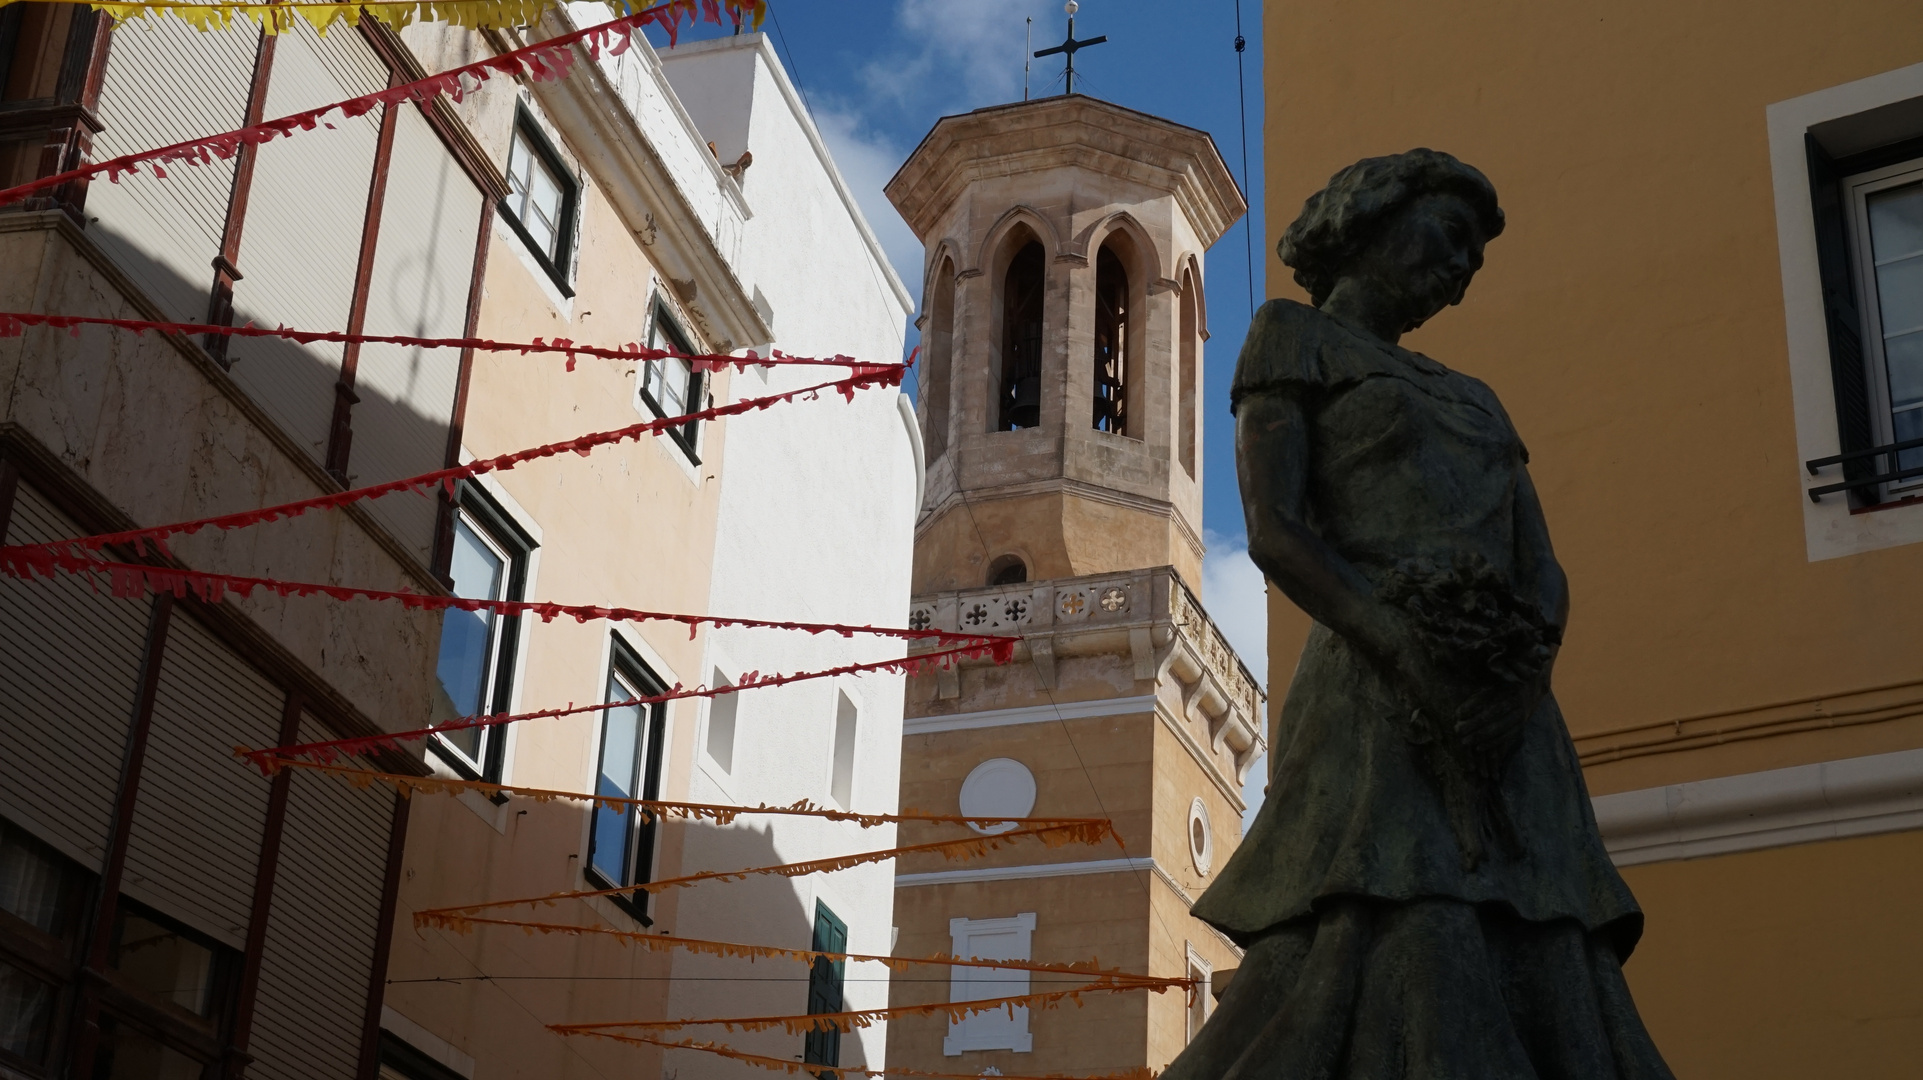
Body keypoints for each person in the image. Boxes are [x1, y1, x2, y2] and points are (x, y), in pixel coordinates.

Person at [1166, 150, 1675, 1079]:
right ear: (1368, 222)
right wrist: (1402, 647)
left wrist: (1519, 680)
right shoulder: (1292, 337)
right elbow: (1277, 531)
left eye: (1473, 261)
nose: (1459, 270)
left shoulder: (1476, 397)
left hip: (1507, 702)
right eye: (1448, 238)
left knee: (1541, 925)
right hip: (1375, 674)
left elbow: (1542, 566)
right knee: (1398, 910)